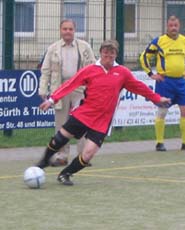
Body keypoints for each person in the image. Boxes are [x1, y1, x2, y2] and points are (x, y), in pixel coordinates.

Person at [36, 40, 171, 186]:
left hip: (102, 121)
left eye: (112, 52)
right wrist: (51, 100)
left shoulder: (123, 73)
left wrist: (157, 98)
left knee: (88, 155)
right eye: (105, 52)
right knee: (60, 139)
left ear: (115, 55)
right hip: (84, 114)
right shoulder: (90, 70)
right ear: (101, 53)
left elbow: (140, 88)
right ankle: (44, 161)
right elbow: (70, 84)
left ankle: (66, 173)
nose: (108, 55)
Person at [39, 19, 96, 166]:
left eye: (70, 29)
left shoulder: (84, 47)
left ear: (75, 30)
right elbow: (45, 71)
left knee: (82, 122)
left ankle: (83, 156)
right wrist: (43, 89)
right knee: (61, 124)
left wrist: (93, 88)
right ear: (60, 30)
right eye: (65, 29)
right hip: (60, 88)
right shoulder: (53, 48)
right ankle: (61, 156)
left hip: (80, 88)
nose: (67, 32)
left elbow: (93, 68)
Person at [139, 15, 185, 152]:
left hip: (180, 82)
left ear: (179, 26)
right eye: (171, 26)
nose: (173, 28)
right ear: (167, 27)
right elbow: (144, 57)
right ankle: (159, 142)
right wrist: (151, 74)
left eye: (176, 26)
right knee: (163, 111)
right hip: (165, 81)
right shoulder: (159, 41)